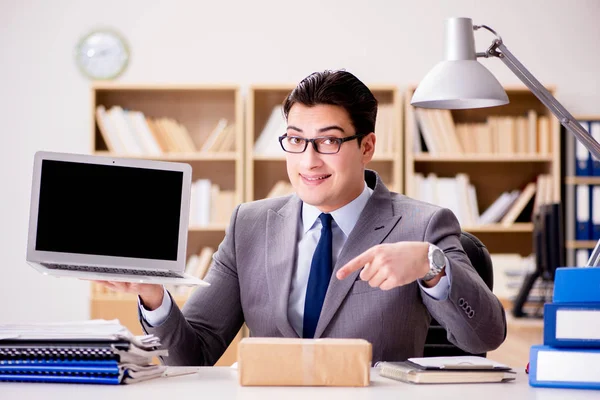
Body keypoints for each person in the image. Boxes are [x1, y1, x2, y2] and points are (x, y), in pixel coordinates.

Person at [101, 70, 506, 366]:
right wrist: (153, 296)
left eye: (328, 141)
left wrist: (431, 265)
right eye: (296, 140)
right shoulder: (250, 225)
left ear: (366, 147)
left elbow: (484, 337)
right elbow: (193, 354)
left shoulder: (423, 225)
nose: (308, 161)